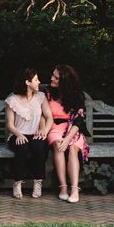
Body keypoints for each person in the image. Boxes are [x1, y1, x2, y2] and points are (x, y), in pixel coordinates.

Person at [4, 67, 53, 198]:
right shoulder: (12, 100)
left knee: (39, 146)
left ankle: (38, 182)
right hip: (17, 134)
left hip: (36, 134)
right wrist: (18, 134)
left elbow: (49, 117)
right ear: (27, 82)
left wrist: (44, 130)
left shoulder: (40, 97)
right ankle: (17, 182)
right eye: (36, 80)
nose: (39, 82)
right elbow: (9, 124)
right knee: (22, 147)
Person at [46, 64, 89, 203]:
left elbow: (78, 121)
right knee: (58, 145)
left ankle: (75, 189)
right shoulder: (47, 93)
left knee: (73, 148)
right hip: (54, 128)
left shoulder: (77, 96)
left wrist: (68, 139)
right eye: (52, 75)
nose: (52, 79)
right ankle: (63, 187)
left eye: (56, 78)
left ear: (64, 81)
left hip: (72, 129)